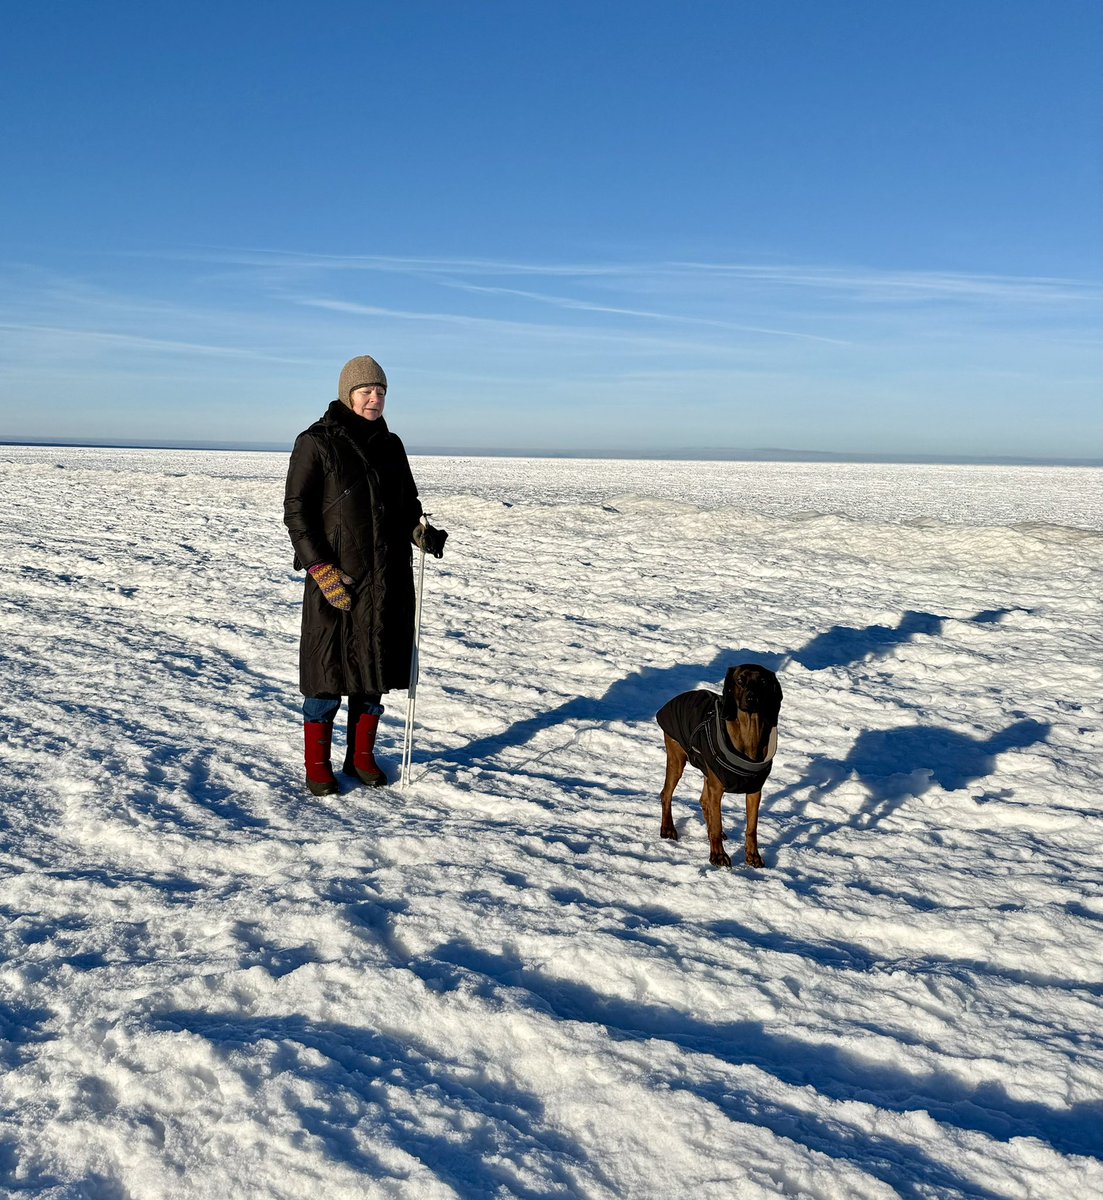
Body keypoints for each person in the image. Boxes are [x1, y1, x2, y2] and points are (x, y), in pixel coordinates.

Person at [284, 355, 447, 795]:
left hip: (385, 579)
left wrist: (420, 532)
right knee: (327, 675)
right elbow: (297, 513)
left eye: (381, 392)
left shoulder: (391, 445)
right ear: (348, 394)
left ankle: (360, 758)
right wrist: (320, 568)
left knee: (372, 673)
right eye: (366, 391)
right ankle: (318, 765)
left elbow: (406, 504)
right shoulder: (315, 442)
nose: (375, 398)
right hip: (338, 580)